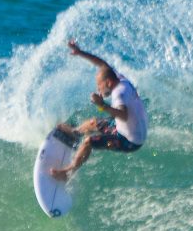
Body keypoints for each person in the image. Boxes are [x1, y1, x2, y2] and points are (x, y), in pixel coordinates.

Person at [50, 40, 148, 181]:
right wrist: (80, 52)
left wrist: (102, 105)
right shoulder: (120, 79)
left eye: (99, 85)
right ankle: (74, 133)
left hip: (130, 141)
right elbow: (103, 65)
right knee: (94, 123)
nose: (98, 89)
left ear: (108, 82)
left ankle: (68, 172)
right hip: (130, 129)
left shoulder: (118, 94)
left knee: (89, 141)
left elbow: (123, 115)